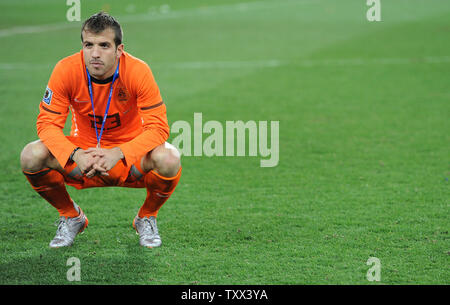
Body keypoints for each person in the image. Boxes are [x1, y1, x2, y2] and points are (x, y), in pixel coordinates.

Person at [20, 12, 182, 249]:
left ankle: (146, 217)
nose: (95, 53)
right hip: (82, 158)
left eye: (104, 45)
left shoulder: (138, 71)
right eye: (89, 45)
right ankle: (70, 215)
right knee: (31, 155)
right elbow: (47, 124)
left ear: (119, 49)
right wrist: (76, 153)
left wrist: (118, 152)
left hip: (128, 161)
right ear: (83, 46)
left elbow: (158, 127)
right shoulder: (66, 70)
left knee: (169, 157)